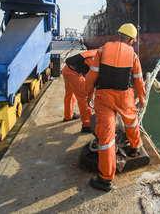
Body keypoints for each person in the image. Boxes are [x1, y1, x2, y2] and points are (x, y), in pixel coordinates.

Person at [85, 23, 146, 192]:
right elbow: (138, 80)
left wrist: (89, 94)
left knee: (106, 137)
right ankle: (136, 147)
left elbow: (92, 76)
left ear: (118, 35)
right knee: (131, 122)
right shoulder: (133, 56)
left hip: (103, 97)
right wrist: (141, 98)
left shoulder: (102, 51)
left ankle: (105, 180)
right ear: (131, 40)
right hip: (124, 97)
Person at [62, 49, 97, 132]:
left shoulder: (96, 52)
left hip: (67, 70)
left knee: (69, 94)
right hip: (73, 73)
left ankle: (68, 116)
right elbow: (91, 79)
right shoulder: (94, 59)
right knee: (84, 97)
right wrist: (90, 96)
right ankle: (87, 125)